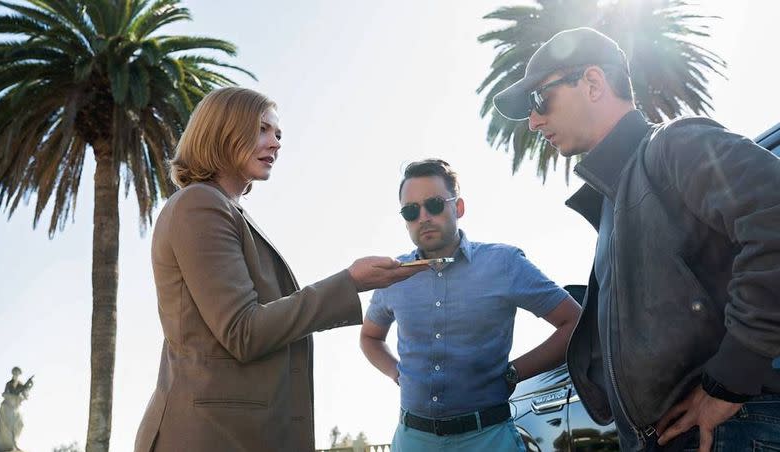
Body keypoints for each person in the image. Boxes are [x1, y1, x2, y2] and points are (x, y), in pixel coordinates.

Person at [493, 27, 780, 451]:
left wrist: (730, 379)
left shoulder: (675, 144)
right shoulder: (616, 198)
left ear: (592, 83)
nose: (534, 121)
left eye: (540, 99)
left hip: (728, 427)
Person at [134, 87, 426, 452]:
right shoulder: (200, 205)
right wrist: (350, 282)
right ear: (221, 130)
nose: (275, 143)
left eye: (279, 135)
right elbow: (244, 331)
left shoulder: (225, 210)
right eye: (262, 129)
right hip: (207, 435)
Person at [360, 159, 581, 451]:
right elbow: (370, 337)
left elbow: (575, 321)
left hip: (489, 437)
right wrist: (395, 372)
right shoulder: (393, 275)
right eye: (411, 211)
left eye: (435, 204)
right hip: (413, 439)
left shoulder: (504, 264)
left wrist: (515, 372)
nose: (423, 217)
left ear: (458, 207)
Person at [0, 366, 34, 452]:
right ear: (13, 374)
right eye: (15, 373)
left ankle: (15, 443)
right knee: (9, 424)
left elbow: (25, 394)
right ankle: (12, 444)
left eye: (17, 373)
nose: (16, 375)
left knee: (21, 424)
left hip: (16, 407)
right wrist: (11, 395)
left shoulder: (21, 384)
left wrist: (28, 387)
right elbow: (5, 394)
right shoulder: (9, 384)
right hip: (8, 406)